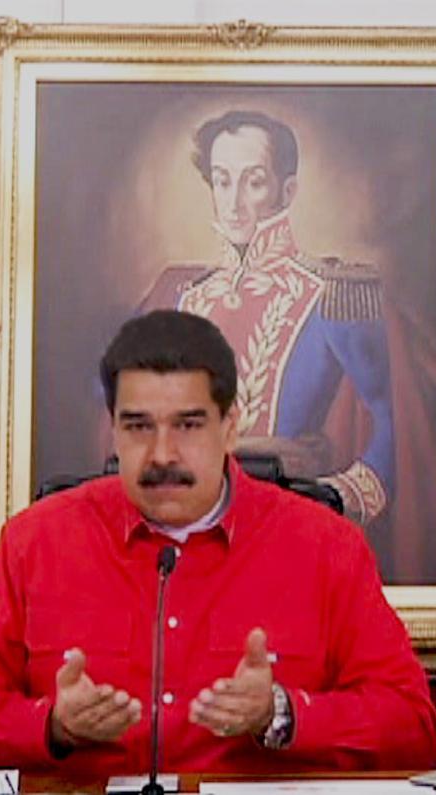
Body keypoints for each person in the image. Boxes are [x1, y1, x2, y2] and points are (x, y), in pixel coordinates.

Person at [0, 310, 436, 778]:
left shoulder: (325, 547)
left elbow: (413, 726)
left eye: (188, 425)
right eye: (138, 426)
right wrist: (51, 725)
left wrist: (280, 713)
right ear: (113, 431)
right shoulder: (37, 541)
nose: (162, 454)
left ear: (230, 427)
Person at [139, 110, 396, 533]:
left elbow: (392, 421)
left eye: (253, 182)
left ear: (287, 190)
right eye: (222, 181)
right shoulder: (179, 294)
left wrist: (337, 496)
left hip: (287, 524)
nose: (233, 202)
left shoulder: (332, 293)